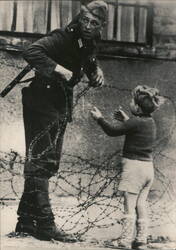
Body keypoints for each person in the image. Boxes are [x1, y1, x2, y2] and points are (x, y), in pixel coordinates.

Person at [15, 0, 108, 242]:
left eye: (94, 23)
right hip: (42, 100)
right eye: (85, 20)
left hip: (58, 102)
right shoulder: (63, 36)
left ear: (101, 26)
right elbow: (31, 51)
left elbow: (87, 56)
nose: (88, 25)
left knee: (45, 160)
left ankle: (25, 221)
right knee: (42, 160)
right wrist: (57, 68)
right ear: (80, 18)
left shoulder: (88, 40)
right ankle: (46, 226)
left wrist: (95, 71)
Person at [91, 85, 162, 249]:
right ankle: (141, 240)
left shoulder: (135, 122)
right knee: (141, 204)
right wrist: (126, 120)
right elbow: (135, 128)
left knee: (128, 205)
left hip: (134, 168)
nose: (129, 103)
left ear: (137, 107)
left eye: (132, 101)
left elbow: (112, 131)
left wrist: (99, 118)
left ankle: (124, 241)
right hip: (148, 169)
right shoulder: (150, 122)